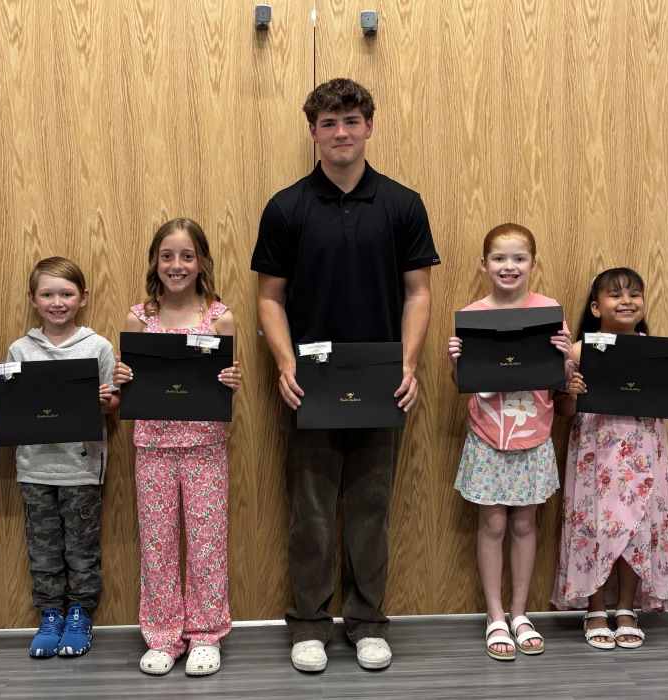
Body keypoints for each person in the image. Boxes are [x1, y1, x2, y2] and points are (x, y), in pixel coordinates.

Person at [251, 77, 440, 672]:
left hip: (383, 381)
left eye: (351, 121)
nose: (341, 133)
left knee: (370, 508)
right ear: (313, 132)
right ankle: (308, 624)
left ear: (369, 127)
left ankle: (366, 623)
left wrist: (407, 364)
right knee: (308, 509)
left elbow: (419, 293)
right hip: (311, 383)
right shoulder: (287, 207)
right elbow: (269, 299)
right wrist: (285, 364)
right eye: (329, 123)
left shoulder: (402, 204)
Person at [113, 218, 241, 677]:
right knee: (158, 543)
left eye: (187, 255)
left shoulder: (219, 317)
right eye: (167, 255)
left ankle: (206, 634)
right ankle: (164, 635)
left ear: (202, 261)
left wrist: (231, 381)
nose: (177, 264)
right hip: (153, 444)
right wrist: (122, 379)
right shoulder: (139, 317)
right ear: (155, 261)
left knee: (206, 544)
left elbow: (225, 383)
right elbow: (128, 379)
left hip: (205, 444)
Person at [552, 267, 668, 649]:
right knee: (596, 526)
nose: (627, 300)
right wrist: (573, 391)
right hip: (595, 453)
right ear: (597, 307)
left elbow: (662, 401)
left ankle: (627, 608)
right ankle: (595, 609)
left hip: (644, 453)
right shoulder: (581, 349)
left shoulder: (655, 350)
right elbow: (563, 410)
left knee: (637, 529)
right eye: (615, 295)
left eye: (634, 293)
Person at [446, 223, 570, 660]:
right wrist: (456, 361)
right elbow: (463, 382)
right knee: (493, 524)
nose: (509, 266)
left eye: (519, 258)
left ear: (533, 264)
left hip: (534, 435)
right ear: (484, 265)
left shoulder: (549, 310)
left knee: (523, 524)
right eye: (499, 258)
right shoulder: (472, 313)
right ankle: (494, 615)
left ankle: (519, 613)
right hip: (487, 436)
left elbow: (564, 380)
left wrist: (566, 354)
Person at [3, 256, 119, 658]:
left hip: (81, 467)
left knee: (82, 547)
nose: (57, 302)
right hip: (34, 467)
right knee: (43, 547)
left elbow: (114, 402)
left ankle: (80, 614)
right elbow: (13, 405)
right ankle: (50, 613)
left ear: (83, 297)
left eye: (66, 294)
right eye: (47, 294)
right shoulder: (19, 348)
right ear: (33, 299)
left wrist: (107, 402)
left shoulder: (99, 346)